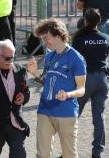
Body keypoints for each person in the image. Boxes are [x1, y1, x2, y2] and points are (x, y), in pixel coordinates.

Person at [27, 18, 86, 158]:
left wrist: (68, 94)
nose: (45, 42)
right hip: (45, 110)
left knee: (69, 154)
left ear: (58, 35)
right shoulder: (49, 56)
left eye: (46, 38)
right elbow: (47, 82)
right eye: (43, 39)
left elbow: (82, 89)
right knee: (42, 154)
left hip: (66, 113)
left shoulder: (76, 58)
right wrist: (35, 73)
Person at [72, 8, 109, 158]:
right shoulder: (105, 37)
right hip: (102, 79)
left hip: (85, 80)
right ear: (99, 22)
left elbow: (73, 61)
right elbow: (105, 55)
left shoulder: (79, 39)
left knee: (73, 116)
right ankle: (97, 153)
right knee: (99, 117)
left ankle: (69, 151)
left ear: (85, 21)